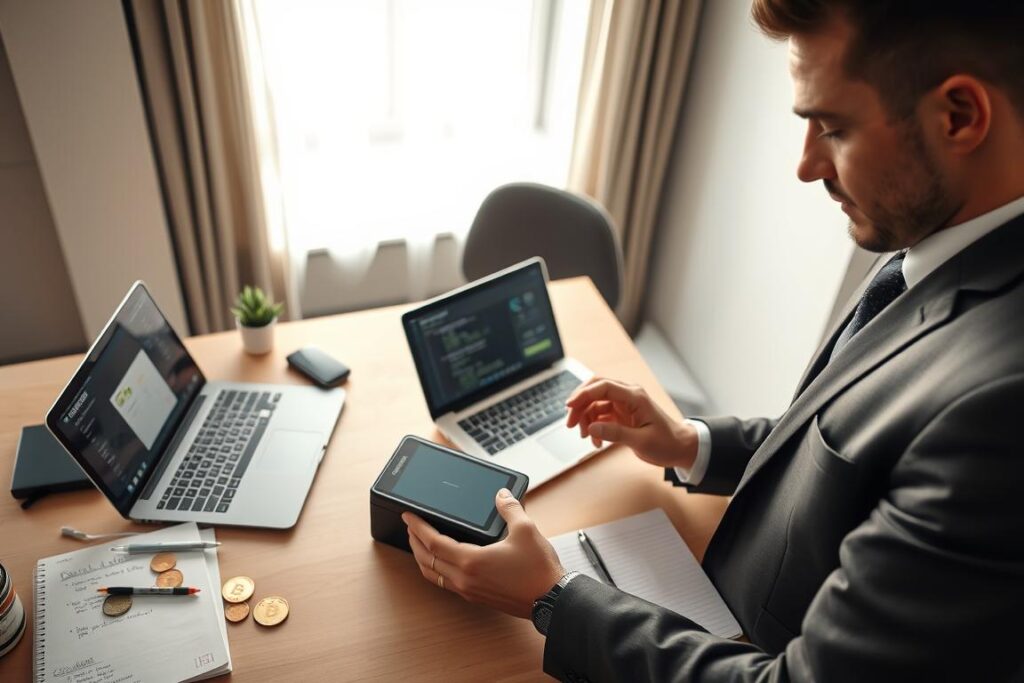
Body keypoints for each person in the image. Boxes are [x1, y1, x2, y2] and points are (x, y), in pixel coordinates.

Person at [402, 1, 1024, 679]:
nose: (807, 165)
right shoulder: (931, 239)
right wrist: (689, 443)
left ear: (959, 116)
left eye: (833, 127)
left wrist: (554, 598)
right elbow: (841, 442)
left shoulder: (1000, 412)